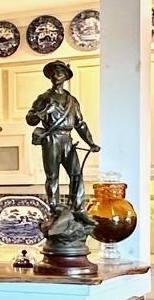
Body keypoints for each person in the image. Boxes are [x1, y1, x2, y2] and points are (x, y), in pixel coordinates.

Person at [25, 61, 100, 211]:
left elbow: (80, 124)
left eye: (59, 72)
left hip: (67, 140)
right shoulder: (44, 98)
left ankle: (77, 209)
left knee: (76, 175)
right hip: (51, 139)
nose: (55, 75)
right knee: (52, 177)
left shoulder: (72, 101)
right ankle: (54, 209)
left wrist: (91, 143)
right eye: (53, 72)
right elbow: (30, 119)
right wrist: (45, 111)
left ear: (66, 76)